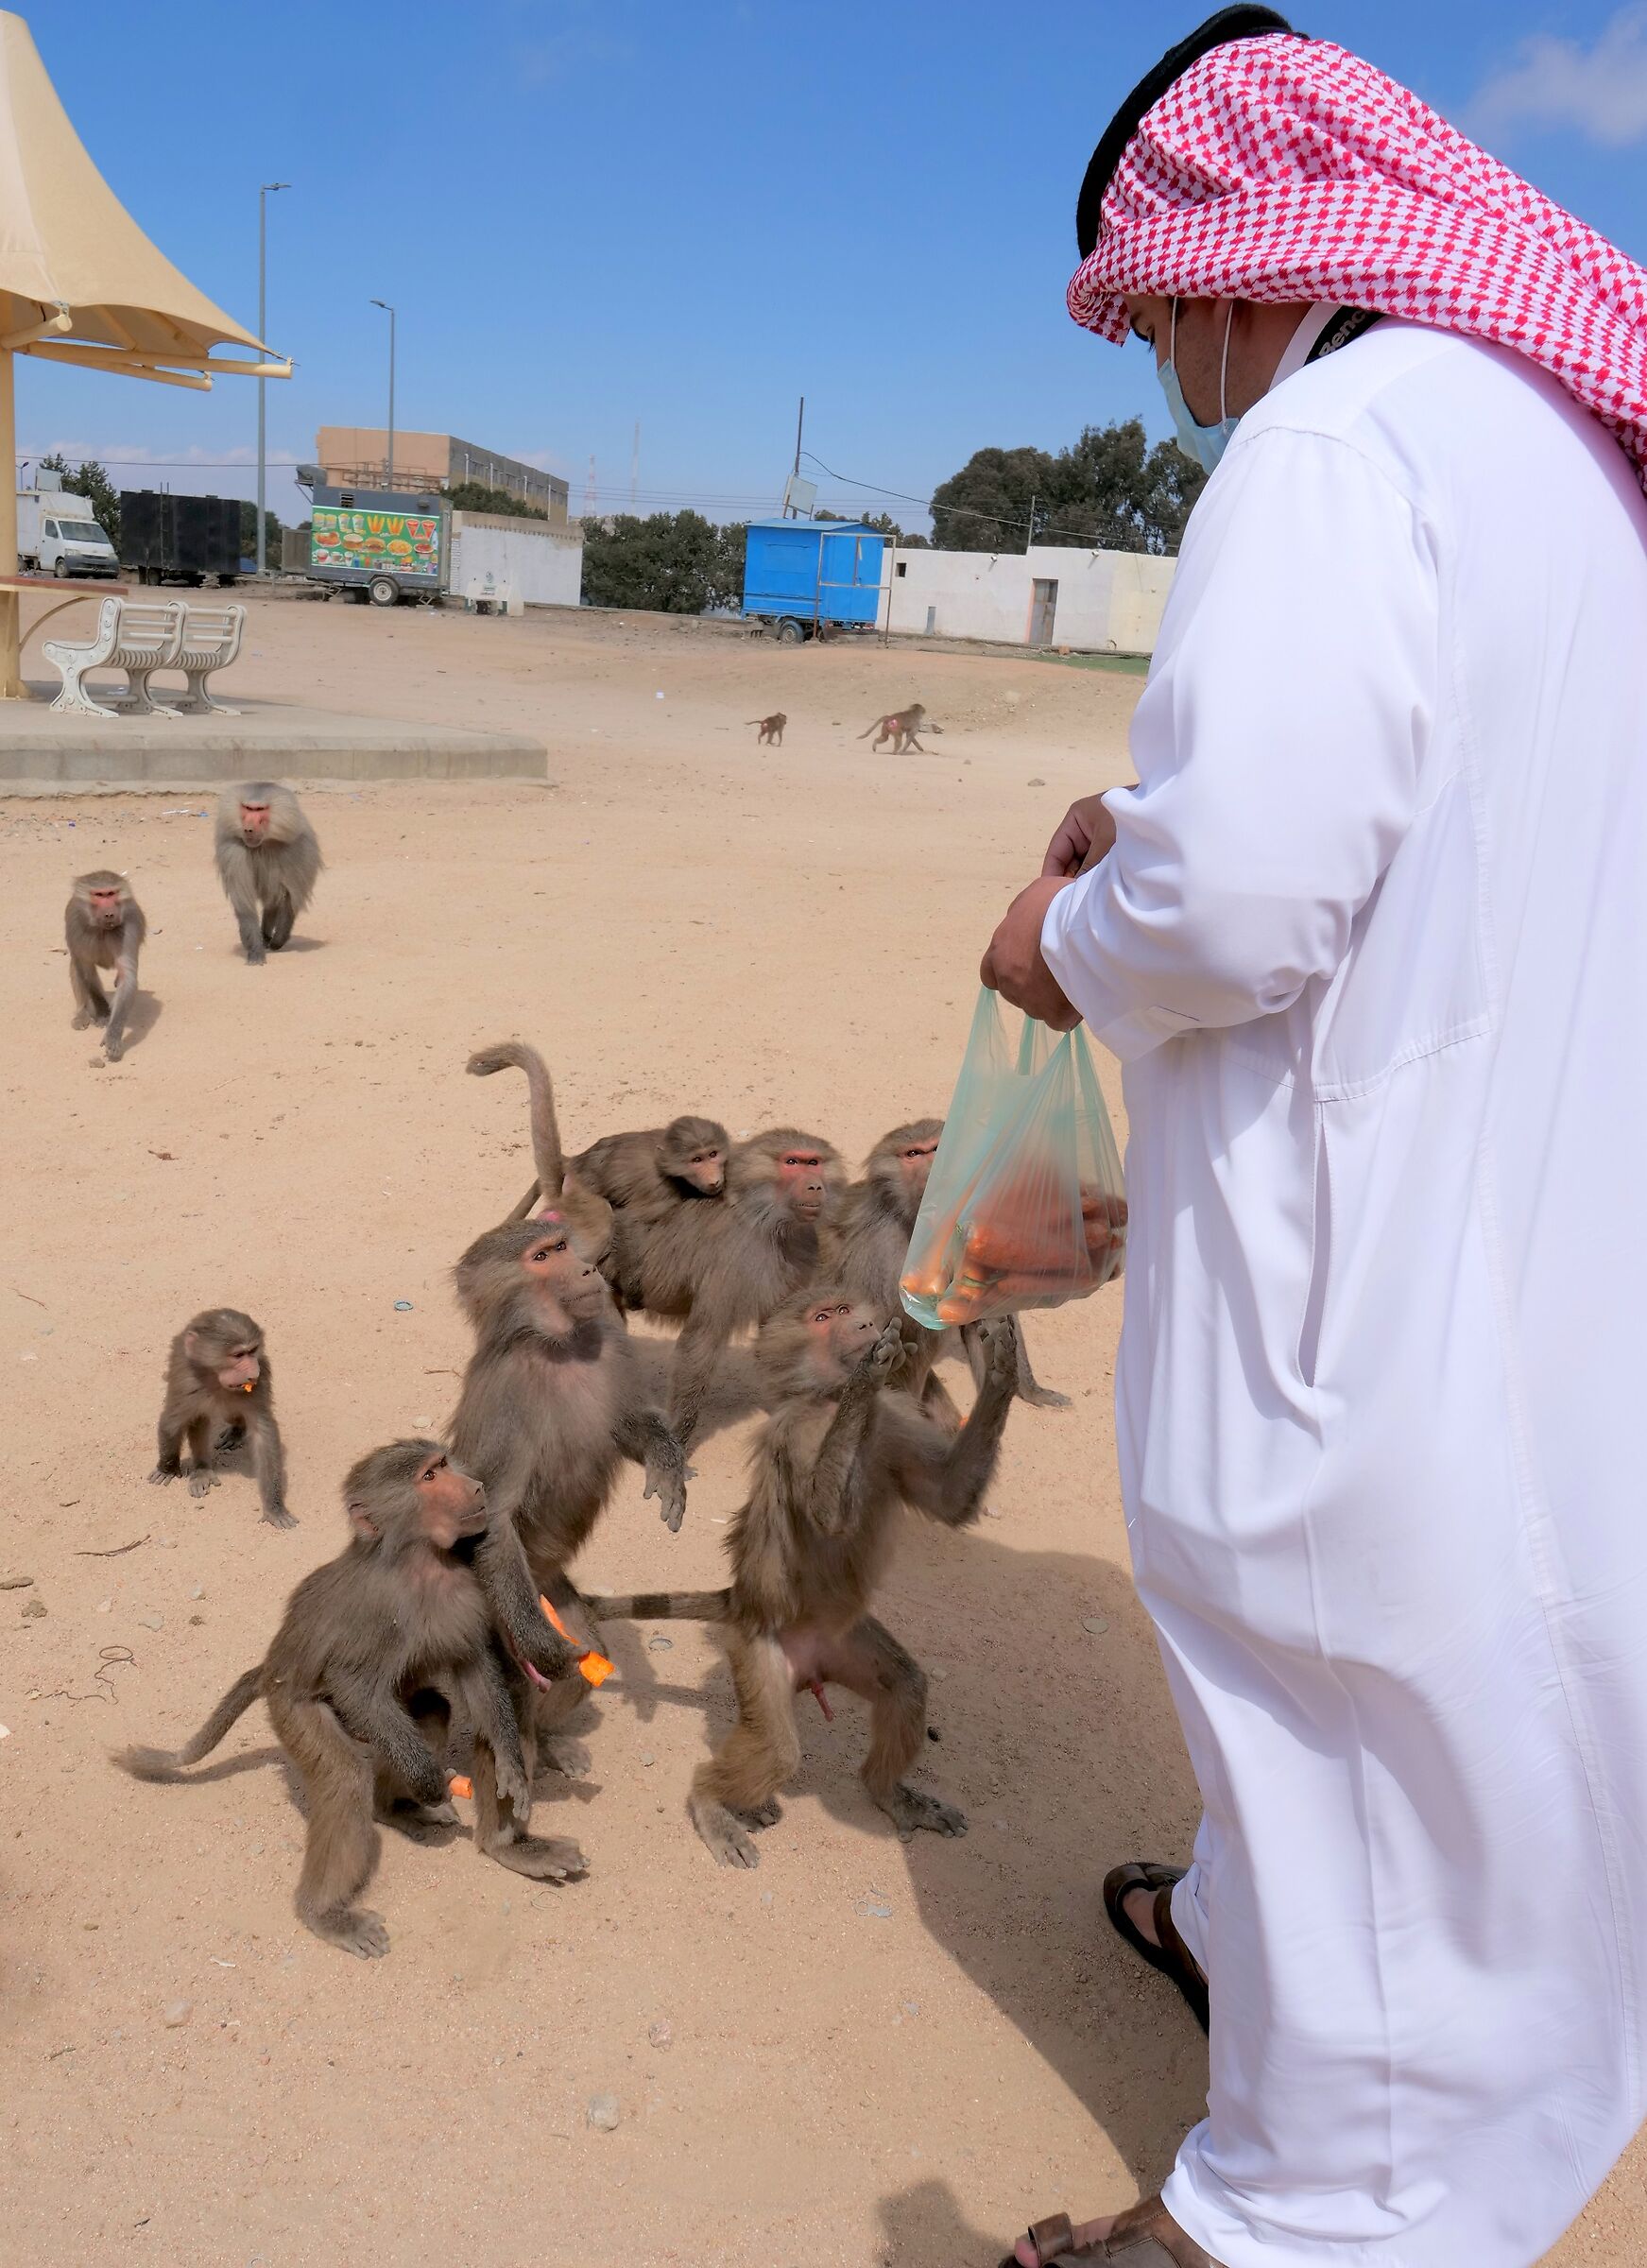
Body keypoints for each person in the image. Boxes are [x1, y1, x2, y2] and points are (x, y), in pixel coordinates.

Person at [982, 10, 1647, 2266]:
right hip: (1535, 1217)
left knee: (1340, 1700)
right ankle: (1269, 1981)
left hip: (1358, 1269)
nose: (1161, 351)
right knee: (1493, 1708)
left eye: (1159, 300)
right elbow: (1405, 823)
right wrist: (1147, 838)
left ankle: (1285, 2221)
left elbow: (1249, 895)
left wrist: (1064, 927)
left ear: (1234, 256)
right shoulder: (1547, 441)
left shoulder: (1333, 436)